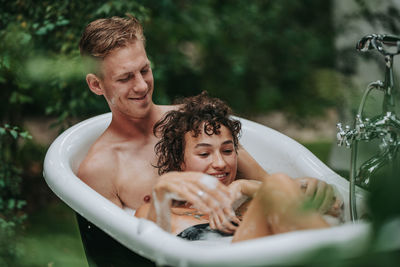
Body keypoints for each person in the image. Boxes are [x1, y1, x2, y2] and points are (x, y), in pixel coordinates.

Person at [77, 15, 337, 223]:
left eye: (145, 70)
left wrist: (306, 191)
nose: (142, 86)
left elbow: (265, 183)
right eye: (125, 78)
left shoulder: (191, 122)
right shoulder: (100, 169)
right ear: (96, 85)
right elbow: (121, 246)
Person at [135, 92, 342, 242]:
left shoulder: (251, 203)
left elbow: (333, 206)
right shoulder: (165, 213)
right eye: (204, 154)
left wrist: (243, 187)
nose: (220, 163)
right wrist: (163, 190)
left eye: (227, 151)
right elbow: (153, 245)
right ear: (180, 161)